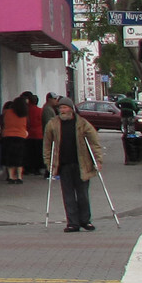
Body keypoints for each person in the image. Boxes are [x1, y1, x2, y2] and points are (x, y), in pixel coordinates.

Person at [43, 98, 103, 233]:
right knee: (68, 195)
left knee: (83, 194)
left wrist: (98, 160)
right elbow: (47, 146)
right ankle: (72, 223)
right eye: (60, 108)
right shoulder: (53, 124)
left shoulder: (82, 124)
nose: (62, 111)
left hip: (82, 164)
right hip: (63, 165)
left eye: (65, 108)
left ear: (71, 108)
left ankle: (85, 221)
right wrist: (49, 163)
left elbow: (94, 142)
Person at [0, 95, 29, 183]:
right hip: (20, 136)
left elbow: (3, 122)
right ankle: (19, 177)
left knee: (9, 157)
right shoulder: (24, 114)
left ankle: (11, 177)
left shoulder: (7, 112)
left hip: (8, 136)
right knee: (19, 157)